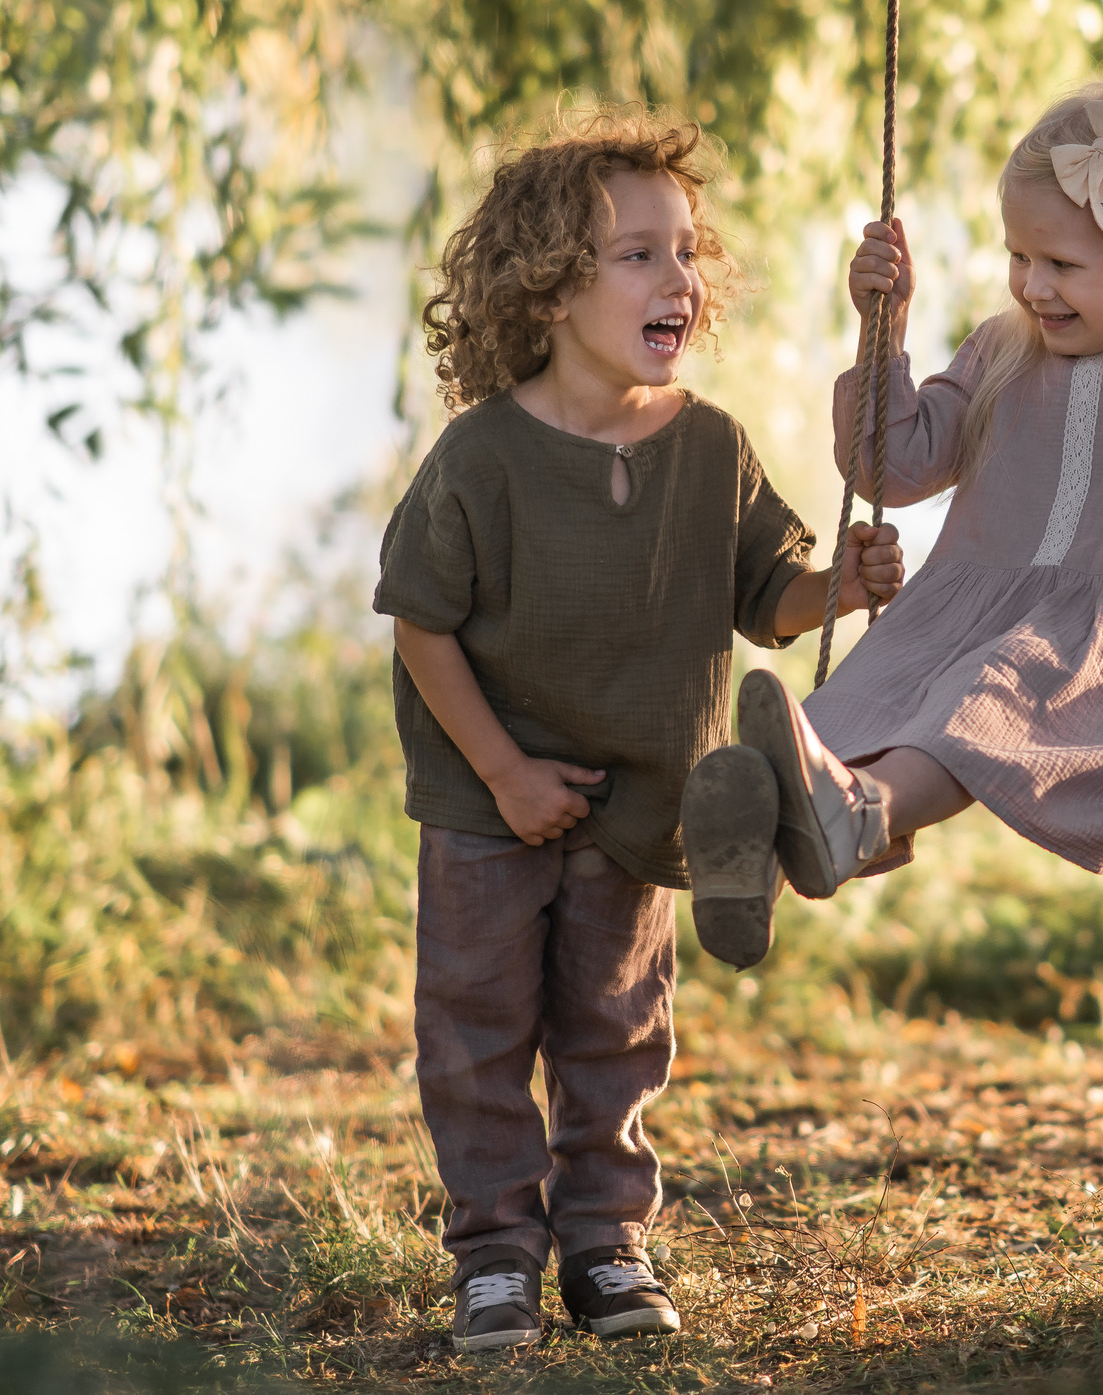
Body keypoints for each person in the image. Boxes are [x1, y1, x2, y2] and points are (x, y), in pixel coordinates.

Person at [374, 110, 904, 1351]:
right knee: (477, 1029)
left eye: (685, 252)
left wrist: (844, 586)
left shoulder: (709, 445)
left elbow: (767, 591)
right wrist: (502, 771)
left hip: (640, 801)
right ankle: (497, 1250)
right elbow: (420, 622)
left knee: (616, 1028)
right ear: (550, 288)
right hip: (487, 804)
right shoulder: (480, 456)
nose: (679, 277)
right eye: (638, 255)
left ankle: (607, 1239)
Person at [678, 83, 1103, 967]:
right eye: (1019, 256)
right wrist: (883, 333)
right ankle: (765, 852)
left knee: (987, 694)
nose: (1031, 285)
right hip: (964, 610)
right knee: (848, 710)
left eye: (1060, 264)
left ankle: (860, 816)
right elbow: (889, 467)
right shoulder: (1001, 348)